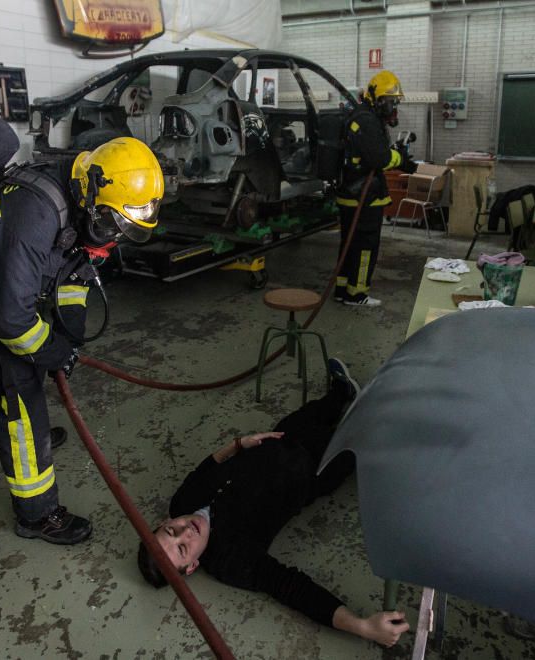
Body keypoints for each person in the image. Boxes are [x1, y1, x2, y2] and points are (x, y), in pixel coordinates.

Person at [0, 137, 164, 545]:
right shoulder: (34, 212)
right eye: (109, 225)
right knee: (23, 411)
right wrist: (52, 350)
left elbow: (75, 273)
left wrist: (69, 335)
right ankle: (37, 515)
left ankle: (31, 431)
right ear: (92, 193)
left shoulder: (82, 201)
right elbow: (11, 322)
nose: (110, 237)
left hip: (5, 303)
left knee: (31, 377)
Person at [137, 358, 411, 647]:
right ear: (191, 566)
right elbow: (289, 587)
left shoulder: (181, 503)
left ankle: (342, 392)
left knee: (319, 409)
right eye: (182, 548)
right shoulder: (230, 560)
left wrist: (241, 443)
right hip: (316, 469)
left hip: (280, 437)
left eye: (171, 531)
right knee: (367, 430)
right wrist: (361, 626)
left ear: (163, 523)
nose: (185, 531)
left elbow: (208, 467)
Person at [335, 69, 418, 307]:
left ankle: (343, 290)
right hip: (363, 196)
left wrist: (395, 155)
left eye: (394, 101)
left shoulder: (362, 117)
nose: (392, 106)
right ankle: (357, 294)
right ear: (376, 98)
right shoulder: (366, 121)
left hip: (353, 193)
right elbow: (379, 158)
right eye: (389, 101)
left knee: (349, 245)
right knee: (365, 247)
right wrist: (402, 161)